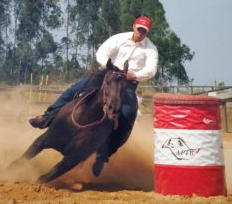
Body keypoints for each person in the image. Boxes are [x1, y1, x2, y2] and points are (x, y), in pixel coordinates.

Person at [29, 16, 158, 176]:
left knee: (127, 114)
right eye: (139, 29)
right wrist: (109, 66)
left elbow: (151, 70)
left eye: (144, 31)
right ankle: (48, 116)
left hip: (128, 83)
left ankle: (105, 152)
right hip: (107, 75)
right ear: (134, 27)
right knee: (75, 89)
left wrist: (134, 74)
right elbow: (102, 52)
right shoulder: (119, 38)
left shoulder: (150, 49)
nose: (141, 33)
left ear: (147, 33)